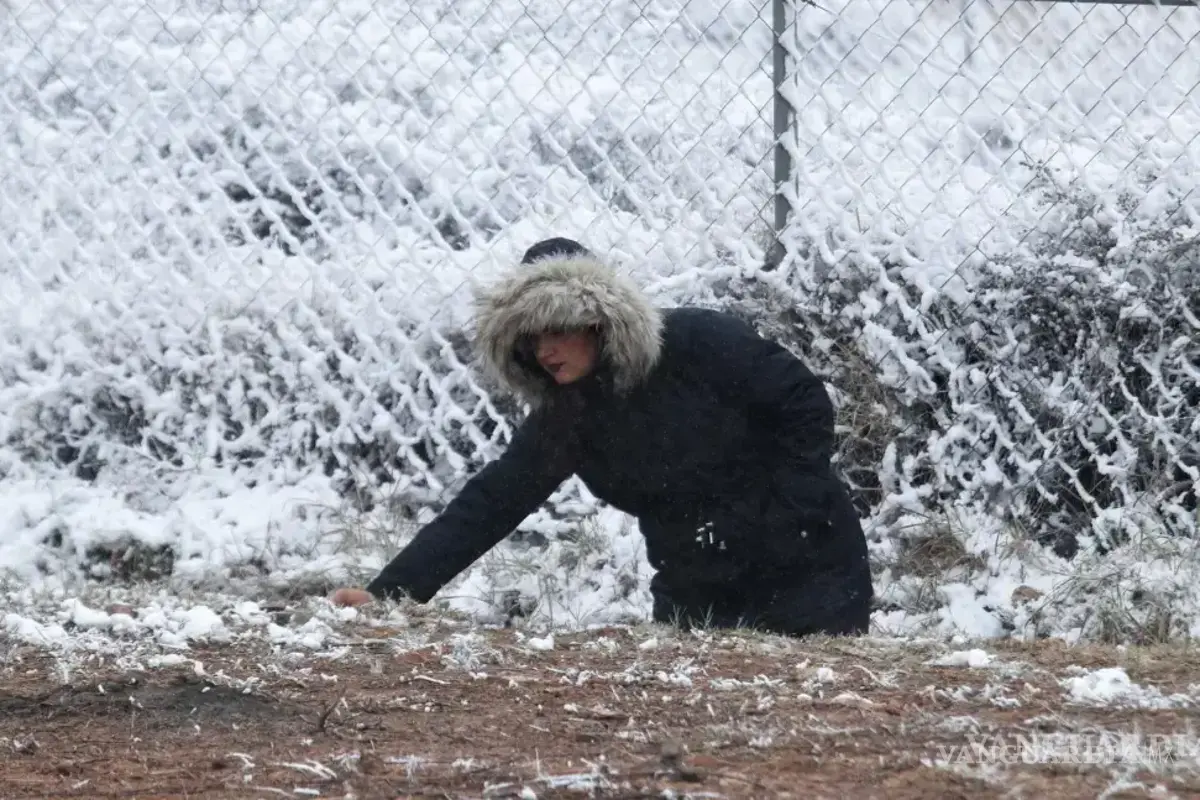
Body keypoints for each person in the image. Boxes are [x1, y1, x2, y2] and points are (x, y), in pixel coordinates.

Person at [331, 237, 874, 637]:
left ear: (599, 323)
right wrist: (389, 594)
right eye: (532, 337)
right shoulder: (567, 418)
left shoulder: (699, 342)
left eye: (559, 328)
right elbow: (491, 503)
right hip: (699, 591)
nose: (546, 350)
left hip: (808, 569)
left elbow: (804, 403)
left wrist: (787, 513)